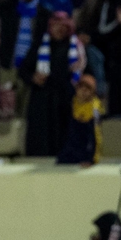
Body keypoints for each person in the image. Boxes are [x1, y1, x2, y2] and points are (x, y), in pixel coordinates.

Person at [20, 12, 86, 157]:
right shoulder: (40, 44)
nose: (59, 29)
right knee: (41, 138)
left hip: (65, 98)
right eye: (56, 26)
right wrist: (33, 77)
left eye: (63, 26)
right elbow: (23, 70)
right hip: (42, 99)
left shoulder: (74, 47)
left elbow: (82, 72)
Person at [57, 74, 103, 166]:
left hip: (86, 152)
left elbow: (94, 136)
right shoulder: (71, 104)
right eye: (81, 87)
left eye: (88, 88)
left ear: (93, 92)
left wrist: (91, 159)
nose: (83, 91)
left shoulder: (95, 109)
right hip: (70, 151)